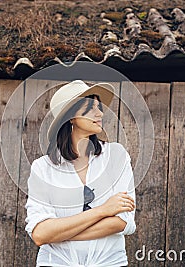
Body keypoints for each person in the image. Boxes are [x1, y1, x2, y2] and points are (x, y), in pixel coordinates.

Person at [24, 80, 136, 267]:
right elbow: (40, 233)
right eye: (90, 108)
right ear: (70, 117)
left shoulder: (116, 156)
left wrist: (60, 233)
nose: (100, 113)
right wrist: (103, 211)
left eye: (98, 107)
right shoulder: (43, 168)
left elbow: (123, 222)